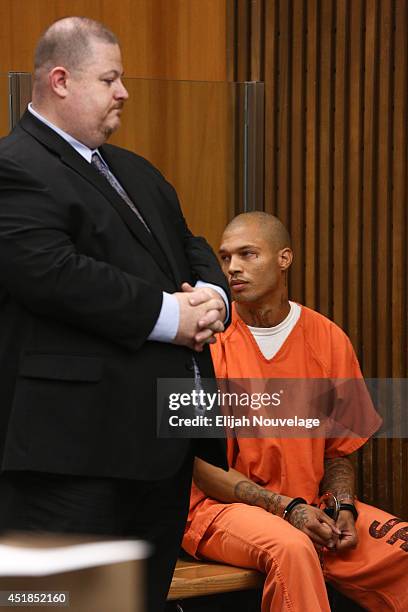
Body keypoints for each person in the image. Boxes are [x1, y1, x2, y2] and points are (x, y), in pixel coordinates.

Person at [0, 17, 230, 612]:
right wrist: (171, 316)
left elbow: (190, 244)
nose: (124, 92)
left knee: (142, 602)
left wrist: (213, 299)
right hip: (71, 458)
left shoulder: (135, 170)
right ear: (60, 81)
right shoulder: (14, 165)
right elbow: (53, 273)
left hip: (160, 449)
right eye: (110, 79)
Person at [182, 212, 408, 611]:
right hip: (218, 511)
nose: (233, 268)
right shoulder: (202, 342)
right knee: (292, 547)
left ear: (284, 259)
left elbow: (339, 451)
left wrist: (344, 506)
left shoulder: (328, 338)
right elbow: (199, 465)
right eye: (225, 258)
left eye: (248, 254)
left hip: (311, 506)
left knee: (403, 550)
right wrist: (286, 508)